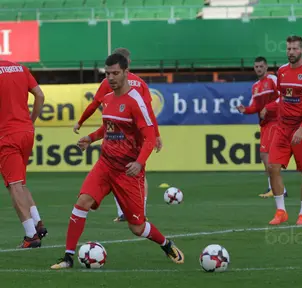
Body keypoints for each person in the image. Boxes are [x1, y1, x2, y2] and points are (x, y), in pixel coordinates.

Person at [50, 53, 184, 269]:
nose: (111, 78)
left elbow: (149, 138)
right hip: (105, 164)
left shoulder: (136, 102)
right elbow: (109, 127)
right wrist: (91, 138)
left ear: (125, 73)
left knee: (137, 227)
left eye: (115, 73)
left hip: (128, 171)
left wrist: (139, 163)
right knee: (82, 202)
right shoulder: (108, 99)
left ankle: (165, 243)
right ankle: (68, 257)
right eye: (108, 73)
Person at [73, 48, 162, 222]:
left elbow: (94, 104)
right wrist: (156, 134)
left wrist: (81, 121)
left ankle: (124, 212)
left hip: (119, 136)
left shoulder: (108, 82)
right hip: (137, 137)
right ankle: (139, 211)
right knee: (137, 172)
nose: (111, 76)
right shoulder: (140, 83)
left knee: (116, 171)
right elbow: (149, 112)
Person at [263, 35, 302, 225]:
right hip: (283, 128)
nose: (291, 52)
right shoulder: (282, 71)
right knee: (272, 167)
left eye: (295, 49)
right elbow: (283, 98)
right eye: (288, 49)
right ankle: (281, 211)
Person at [0, 60, 47, 248]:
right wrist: (31, 120)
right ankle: (37, 223)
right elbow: (40, 95)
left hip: (6, 134)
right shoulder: (20, 68)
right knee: (20, 182)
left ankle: (31, 235)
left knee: (14, 186)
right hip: (26, 132)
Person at [236, 57, 287, 198]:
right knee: (267, 157)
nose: (258, 69)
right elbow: (255, 106)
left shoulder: (273, 79)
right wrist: (245, 110)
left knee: (266, 155)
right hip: (265, 124)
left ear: (266, 67)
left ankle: (275, 189)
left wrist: (269, 107)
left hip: (276, 121)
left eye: (260, 66)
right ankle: (278, 188)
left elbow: (283, 96)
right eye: (256, 66)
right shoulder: (255, 86)